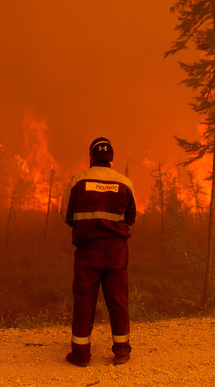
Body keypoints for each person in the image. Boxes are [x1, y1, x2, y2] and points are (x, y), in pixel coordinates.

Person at [61, 137, 137, 367]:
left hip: (88, 252)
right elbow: (131, 218)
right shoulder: (124, 182)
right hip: (117, 252)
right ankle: (122, 351)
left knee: (84, 300)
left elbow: (67, 216)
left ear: (91, 157)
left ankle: (81, 355)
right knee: (118, 300)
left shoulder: (78, 181)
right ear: (111, 159)